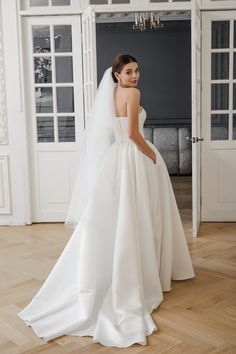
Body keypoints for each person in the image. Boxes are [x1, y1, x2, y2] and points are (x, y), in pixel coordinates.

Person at [17, 54, 195, 348]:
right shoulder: (133, 94)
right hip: (134, 157)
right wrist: (153, 156)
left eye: (137, 71)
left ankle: (118, 267)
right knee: (141, 214)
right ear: (116, 74)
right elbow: (134, 134)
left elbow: (112, 132)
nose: (135, 76)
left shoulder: (110, 94)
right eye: (128, 71)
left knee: (116, 217)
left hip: (115, 159)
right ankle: (142, 270)